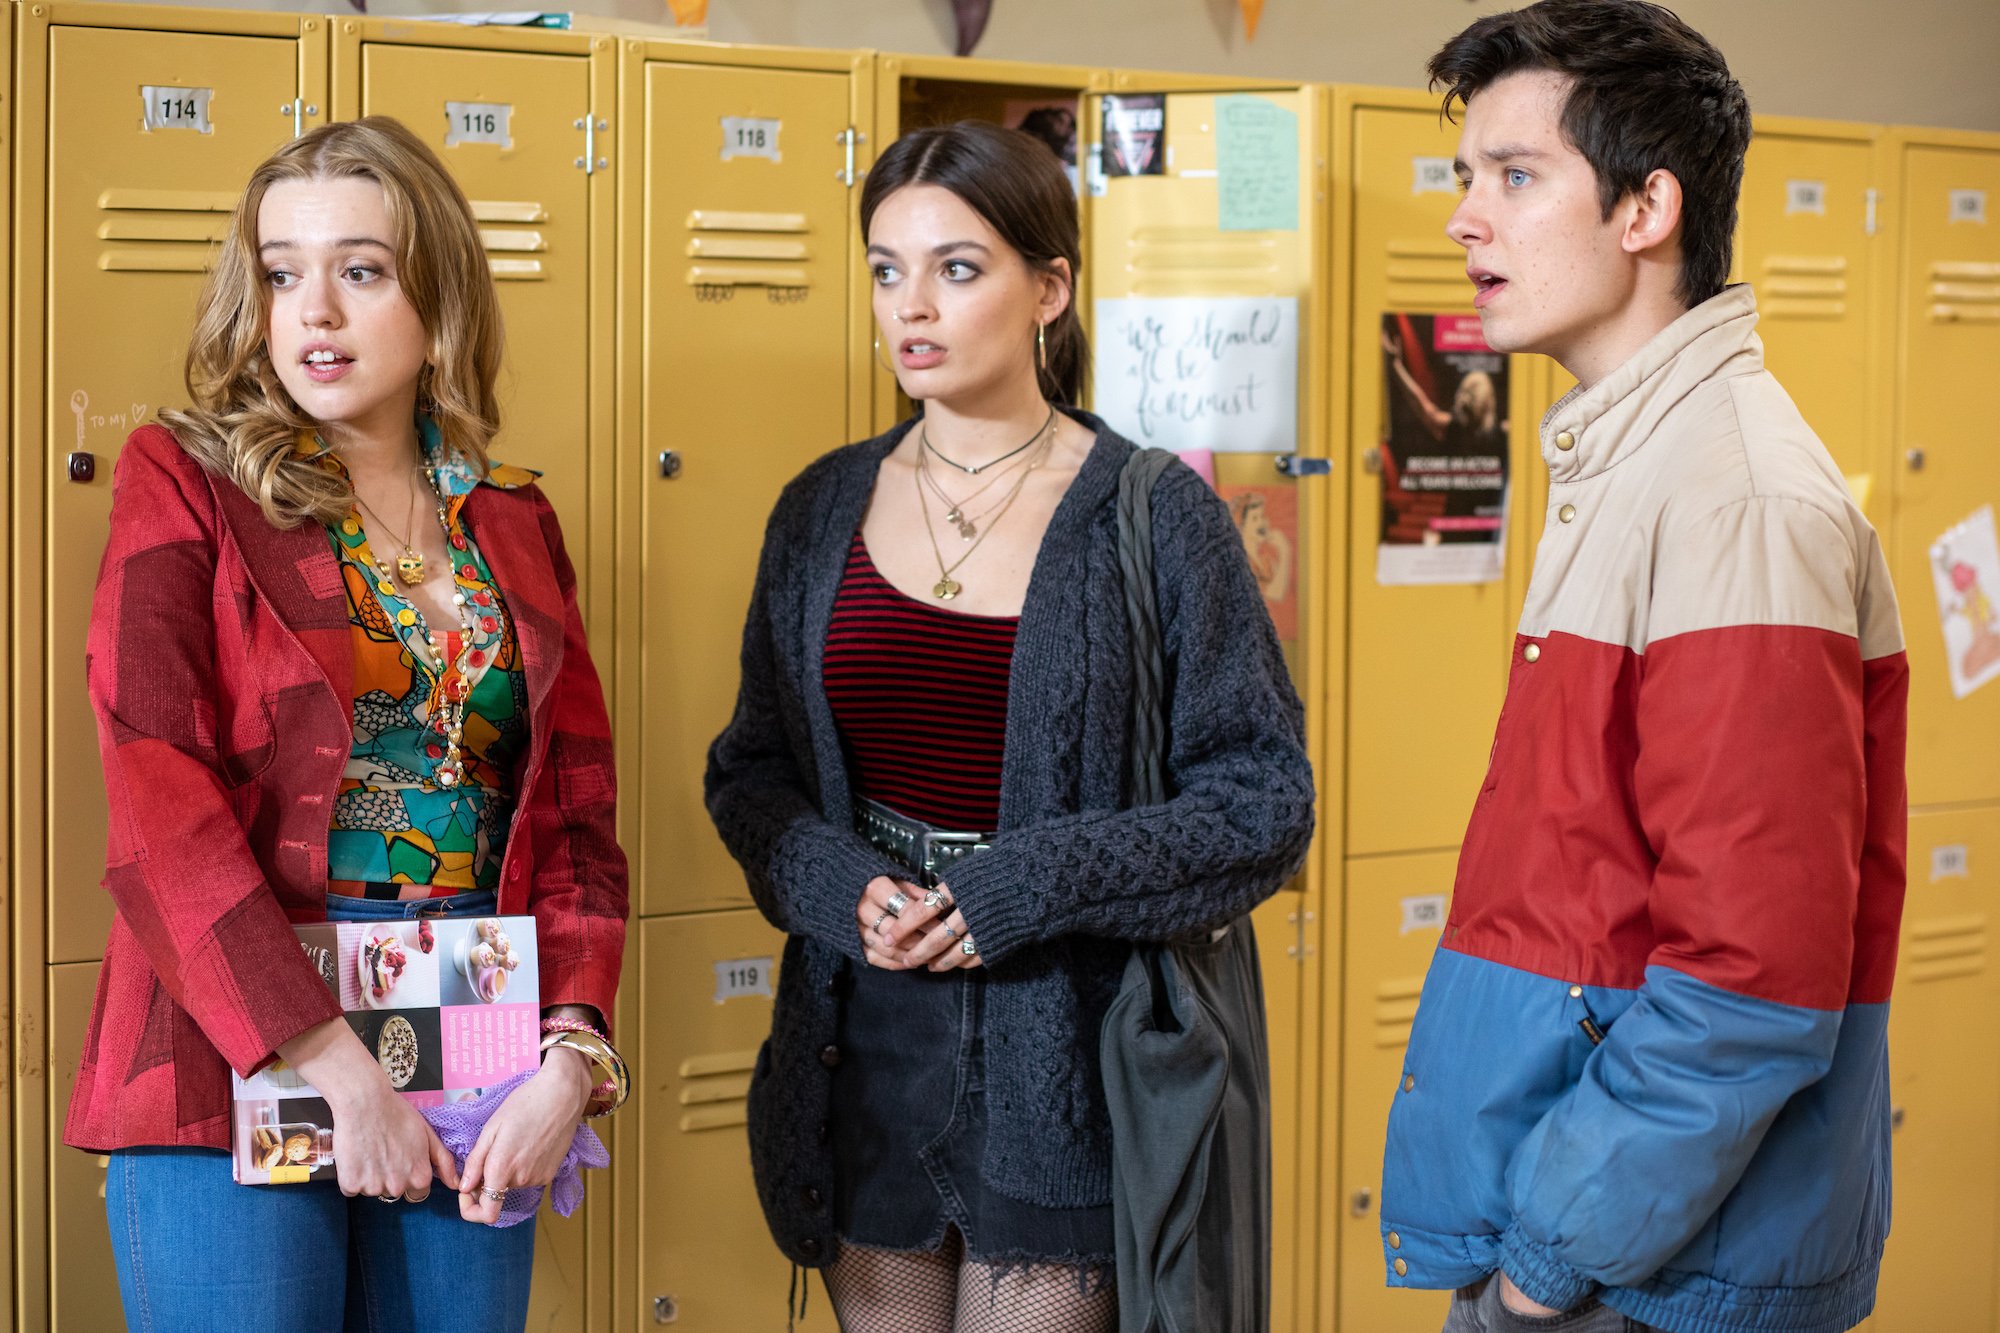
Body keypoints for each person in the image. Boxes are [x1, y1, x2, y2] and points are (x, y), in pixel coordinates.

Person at [706, 119, 1314, 1332]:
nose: (909, 305)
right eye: (885, 269)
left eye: (956, 266)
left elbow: (1262, 804)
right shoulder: (820, 507)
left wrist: (1025, 885)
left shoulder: (1153, 517)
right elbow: (751, 773)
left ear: (1050, 288)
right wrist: (839, 884)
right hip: (861, 1054)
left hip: (1067, 1063)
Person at [1378, 4, 1908, 1332]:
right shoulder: (1636, 463)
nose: (1464, 220)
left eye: (1515, 176)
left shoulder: (1734, 498)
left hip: (1642, 1273)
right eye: (1464, 177)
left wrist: (1542, 1265)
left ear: (1645, 209)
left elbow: (1754, 976)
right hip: (1607, 1239)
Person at [65, 116, 629, 1330]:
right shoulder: (187, 481)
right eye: (281, 272)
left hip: (476, 1049)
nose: (312, 309)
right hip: (236, 1043)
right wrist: (327, 1063)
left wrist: (572, 1058)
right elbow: (156, 795)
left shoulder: (514, 523)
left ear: (438, 298)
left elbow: (576, 819)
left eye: (360, 271)